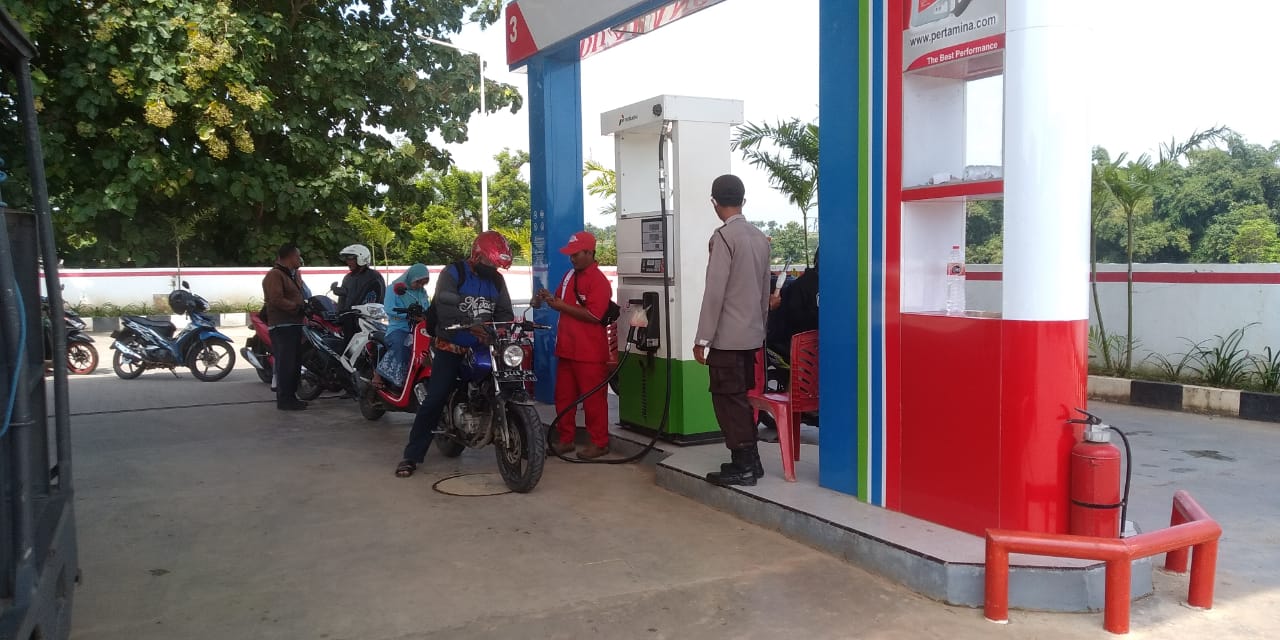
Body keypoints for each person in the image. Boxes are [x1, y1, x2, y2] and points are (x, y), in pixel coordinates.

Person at [396, 231, 515, 478]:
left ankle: (526, 443)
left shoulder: (496, 280)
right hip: (451, 345)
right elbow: (445, 309)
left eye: (497, 265)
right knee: (435, 398)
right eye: (490, 263)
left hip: (483, 347)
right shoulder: (453, 273)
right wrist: (470, 326)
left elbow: (505, 312)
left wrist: (501, 329)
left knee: (510, 384)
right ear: (477, 255)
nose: (493, 269)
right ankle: (411, 455)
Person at [693, 174, 772, 486]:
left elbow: (715, 293)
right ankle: (752, 461)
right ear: (743, 200)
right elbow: (765, 292)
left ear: (714, 203)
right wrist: (759, 329)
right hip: (751, 336)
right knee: (740, 399)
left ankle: (744, 465)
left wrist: (702, 338)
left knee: (728, 401)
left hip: (726, 339)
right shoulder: (760, 238)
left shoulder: (723, 238)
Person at [535, 231, 614, 459]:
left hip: (590, 352)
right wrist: (547, 298)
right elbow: (560, 300)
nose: (572, 258)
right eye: (570, 254)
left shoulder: (598, 281)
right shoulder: (569, 275)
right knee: (564, 398)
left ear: (589, 252)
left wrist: (560, 306)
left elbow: (595, 316)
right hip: (567, 349)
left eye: (576, 254)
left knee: (593, 401)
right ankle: (565, 440)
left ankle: (599, 443)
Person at [262, 243, 308, 411]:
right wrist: (296, 307)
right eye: (297, 256)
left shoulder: (293, 274)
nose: (300, 259)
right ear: (289, 257)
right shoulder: (275, 275)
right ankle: (285, 399)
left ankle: (291, 397)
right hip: (282, 326)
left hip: (295, 324)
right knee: (286, 363)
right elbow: (276, 299)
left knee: (294, 363)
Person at [373, 263, 430, 390]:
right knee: (402, 345)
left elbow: (427, 307)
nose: (420, 286)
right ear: (411, 277)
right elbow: (389, 309)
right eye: (418, 282)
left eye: (423, 283)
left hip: (419, 329)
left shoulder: (422, 292)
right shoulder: (393, 289)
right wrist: (409, 315)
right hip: (399, 328)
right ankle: (379, 375)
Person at [332, 244, 385, 348]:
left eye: (350, 258)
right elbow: (344, 299)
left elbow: (375, 301)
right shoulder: (348, 277)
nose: (348, 262)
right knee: (348, 351)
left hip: (366, 324)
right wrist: (339, 292)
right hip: (349, 322)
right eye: (347, 259)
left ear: (361, 258)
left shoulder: (373, 277)